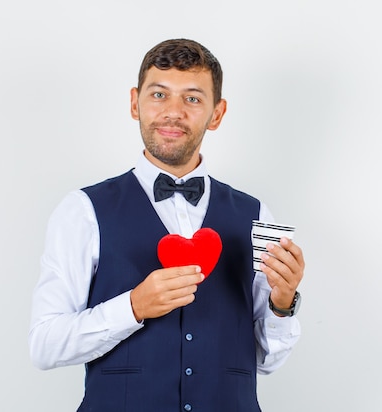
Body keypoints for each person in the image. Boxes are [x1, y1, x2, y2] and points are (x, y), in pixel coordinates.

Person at [29, 38, 305, 412]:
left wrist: (282, 304)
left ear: (217, 113)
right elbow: (44, 345)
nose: (173, 112)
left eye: (192, 98)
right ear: (134, 103)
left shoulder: (258, 215)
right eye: (159, 94)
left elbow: (268, 362)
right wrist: (133, 307)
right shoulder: (82, 210)